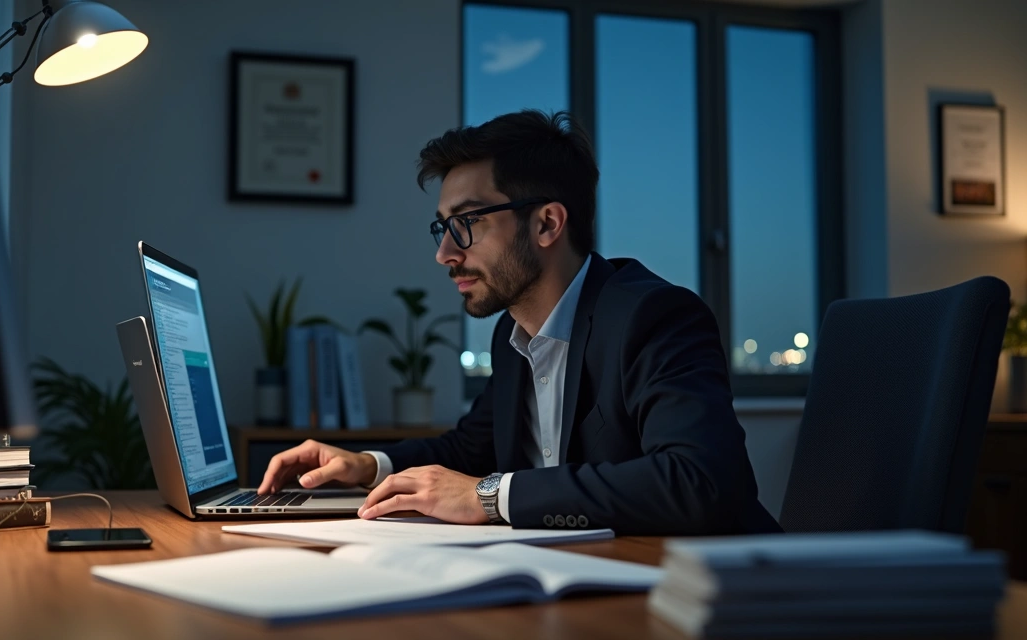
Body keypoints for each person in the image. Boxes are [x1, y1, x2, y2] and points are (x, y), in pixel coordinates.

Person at [258, 110, 782, 535]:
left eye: (466, 224)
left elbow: (699, 480)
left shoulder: (653, 317)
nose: (445, 253)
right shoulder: (514, 337)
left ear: (547, 223)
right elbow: (467, 449)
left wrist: (489, 497)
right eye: (443, 227)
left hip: (724, 601)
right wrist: (367, 466)